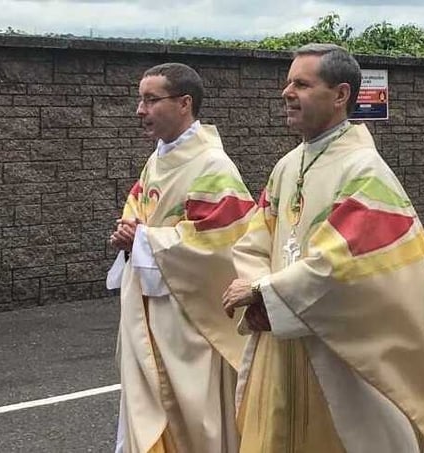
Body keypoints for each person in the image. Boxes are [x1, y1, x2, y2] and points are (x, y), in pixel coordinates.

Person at [221, 43, 424, 452]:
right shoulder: (287, 166)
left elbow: (344, 262)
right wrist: (260, 293)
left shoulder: (365, 171)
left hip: (338, 355)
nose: (287, 92)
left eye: (302, 84)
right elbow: (255, 240)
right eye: (288, 82)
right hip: (279, 342)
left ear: (341, 95)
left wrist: (264, 292)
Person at [107, 62, 253, 453]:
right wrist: (129, 235)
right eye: (141, 100)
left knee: (193, 421)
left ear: (184, 103)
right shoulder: (157, 160)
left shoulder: (213, 166)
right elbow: (138, 210)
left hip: (191, 321)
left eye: (151, 100)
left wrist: (143, 240)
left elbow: (222, 244)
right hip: (151, 310)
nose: (140, 110)